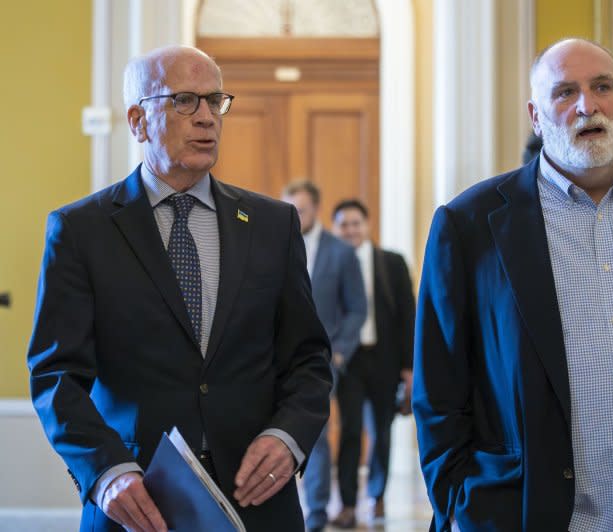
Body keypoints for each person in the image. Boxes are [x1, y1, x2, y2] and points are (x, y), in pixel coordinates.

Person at [413, 38, 613, 531]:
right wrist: (461, 507)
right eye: (565, 92)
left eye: (602, 87)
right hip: (528, 517)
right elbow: (438, 392)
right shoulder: (470, 225)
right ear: (536, 115)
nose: (588, 105)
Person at [27, 46, 333, 531]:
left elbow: (308, 360)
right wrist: (106, 472)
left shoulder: (273, 224)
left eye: (216, 101)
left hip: (257, 501)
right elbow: (55, 378)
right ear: (137, 121)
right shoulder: (80, 230)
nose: (207, 118)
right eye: (186, 101)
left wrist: (288, 436)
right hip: (137, 502)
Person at [281, 181, 367, 532]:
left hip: (322, 360)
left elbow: (357, 309)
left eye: (300, 209)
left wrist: (342, 352)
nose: (294, 216)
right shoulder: (274, 243)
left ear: (316, 209)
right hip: (275, 360)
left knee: (313, 435)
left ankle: (315, 513)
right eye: (290, 209)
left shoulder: (341, 253)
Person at [329, 199, 416, 528]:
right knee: (350, 430)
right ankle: (348, 504)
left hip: (385, 360)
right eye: (343, 224)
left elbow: (409, 315)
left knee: (381, 431)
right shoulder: (331, 263)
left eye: (356, 223)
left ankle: (377, 497)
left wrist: (409, 368)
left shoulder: (391, 263)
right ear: (336, 229)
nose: (350, 229)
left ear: (366, 226)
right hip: (348, 361)